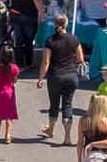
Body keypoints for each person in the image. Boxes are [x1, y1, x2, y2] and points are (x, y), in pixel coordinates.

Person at [36, 14, 86, 144]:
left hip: (55, 76)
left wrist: (41, 78)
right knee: (67, 105)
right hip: (71, 76)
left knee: (54, 105)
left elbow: (46, 61)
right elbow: (80, 59)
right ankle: (67, 137)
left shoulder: (50, 41)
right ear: (66, 24)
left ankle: (51, 129)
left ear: (55, 24)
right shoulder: (74, 39)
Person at [5, 0, 42, 69]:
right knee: (29, 40)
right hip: (29, 15)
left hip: (15, 14)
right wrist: (41, 11)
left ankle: (19, 63)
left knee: (18, 40)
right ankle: (29, 63)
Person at [0, 44, 19, 143]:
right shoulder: (14, 68)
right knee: (9, 115)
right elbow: (14, 81)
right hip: (10, 92)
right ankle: (8, 134)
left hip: (0, 92)